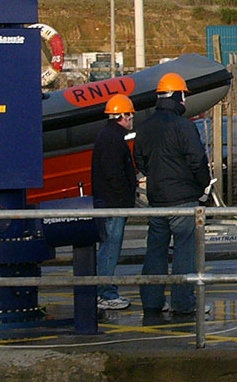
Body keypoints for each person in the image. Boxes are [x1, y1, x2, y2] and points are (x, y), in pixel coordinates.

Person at [134, 72, 211, 322]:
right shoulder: (183, 126)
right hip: (183, 199)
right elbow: (197, 160)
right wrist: (203, 187)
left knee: (155, 252)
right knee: (184, 252)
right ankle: (184, 303)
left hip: (156, 200)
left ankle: (152, 302)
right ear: (178, 96)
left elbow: (141, 161)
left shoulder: (144, 127)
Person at [91, 94, 137, 311]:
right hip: (113, 204)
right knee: (110, 249)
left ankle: (103, 290)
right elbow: (114, 174)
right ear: (123, 116)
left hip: (109, 201)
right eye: (130, 115)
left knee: (107, 248)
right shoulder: (112, 139)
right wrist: (125, 198)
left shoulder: (108, 136)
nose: (131, 119)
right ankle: (105, 293)